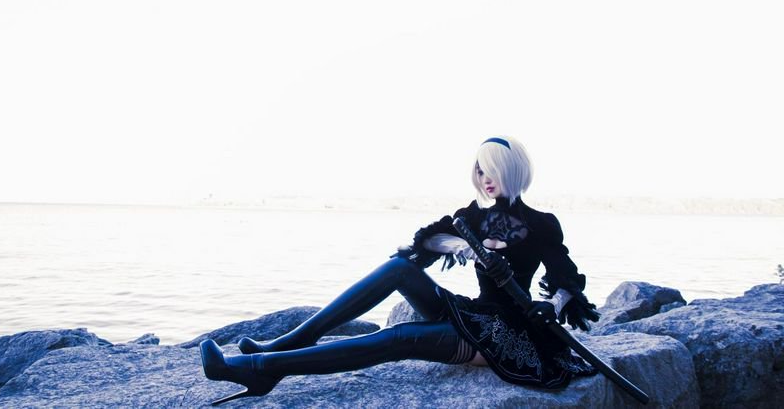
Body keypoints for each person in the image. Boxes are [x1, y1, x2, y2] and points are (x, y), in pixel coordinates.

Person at [200, 136, 600, 404]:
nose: (484, 177)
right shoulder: (472, 217)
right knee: (398, 269)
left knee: (401, 337)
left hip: (509, 334)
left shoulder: (542, 223)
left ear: (511, 169)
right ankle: (289, 342)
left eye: (491, 169)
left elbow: (566, 280)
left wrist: (552, 305)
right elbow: (427, 242)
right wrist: (465, 247)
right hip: (475, 313)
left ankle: (261, 369)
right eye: (479, 170)